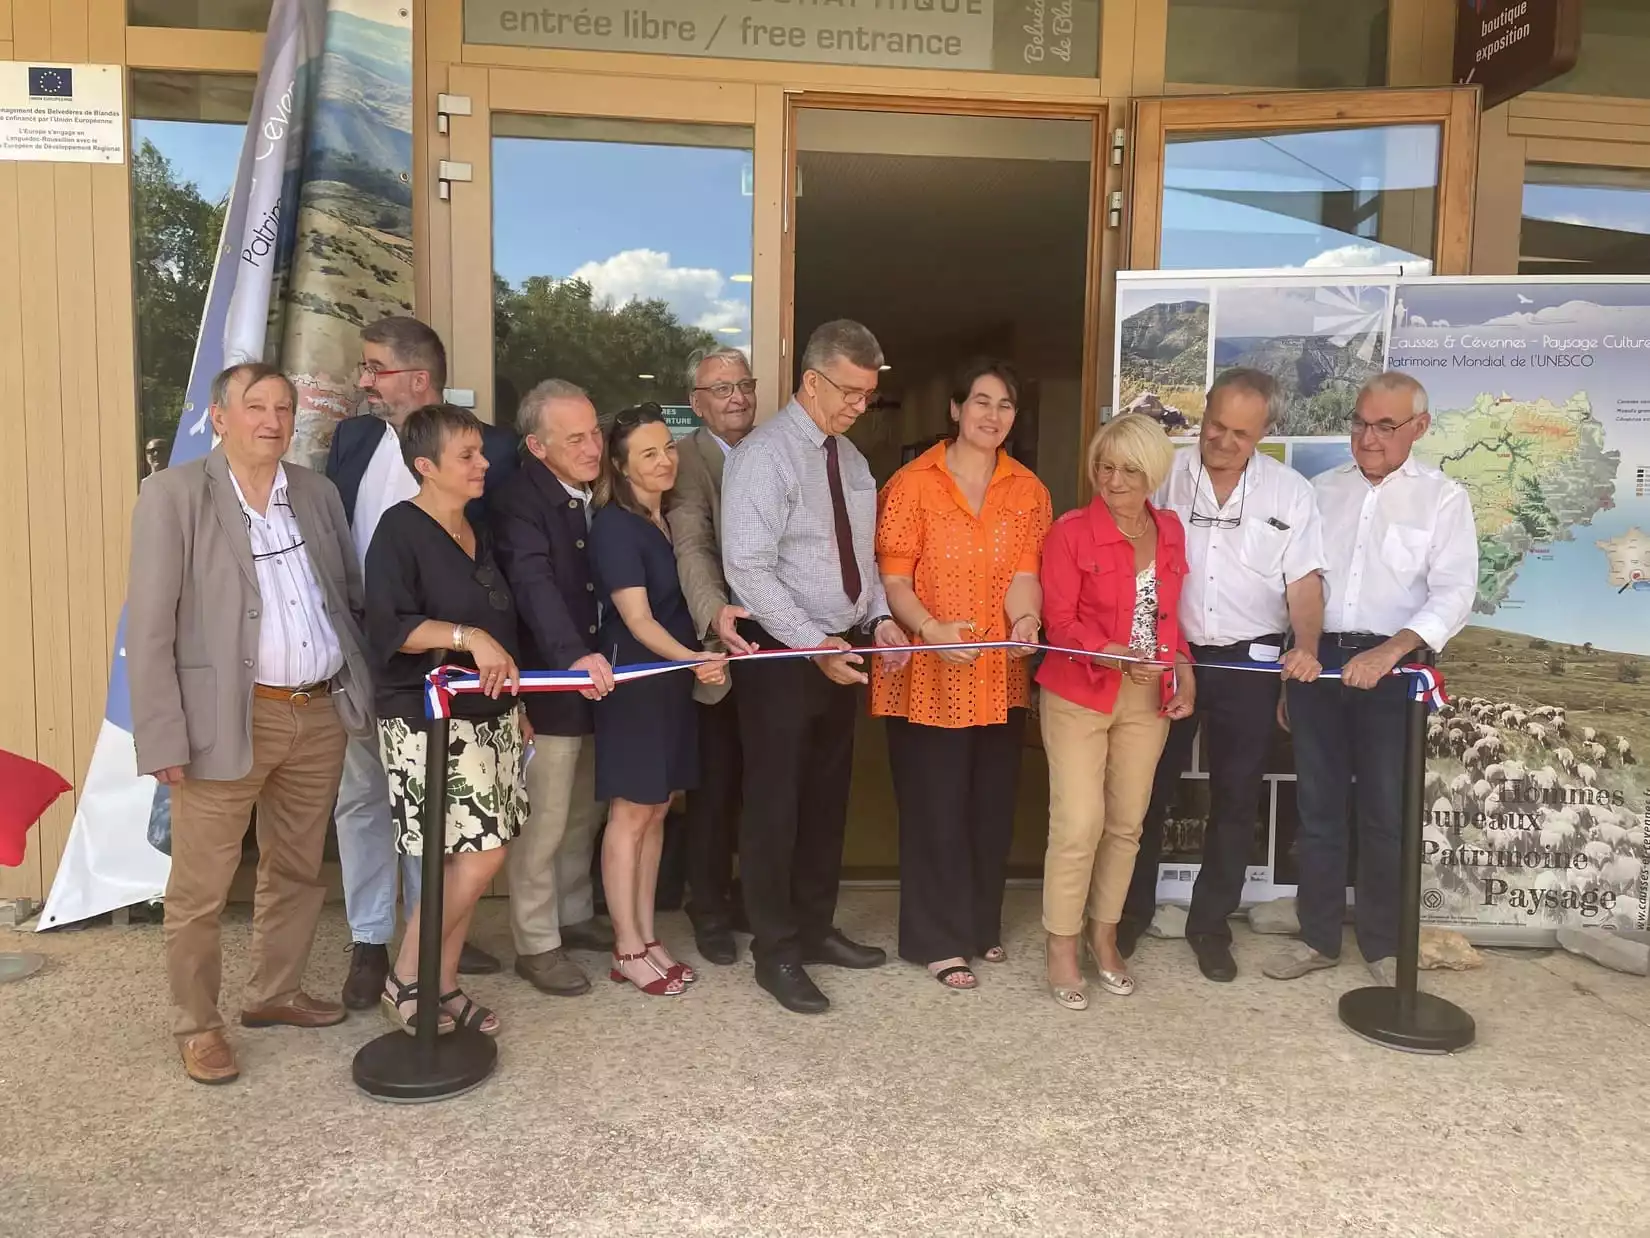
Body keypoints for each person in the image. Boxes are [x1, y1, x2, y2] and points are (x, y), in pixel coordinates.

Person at [128, 362, 371, 1085]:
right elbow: (148, 628)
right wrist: (162, 735)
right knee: (200, 889)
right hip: (225, 720)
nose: (272, 420)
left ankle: (275, 993)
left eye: (284, 407)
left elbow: (347, 598)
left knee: (296, 868)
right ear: (220, 416)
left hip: (317, 710)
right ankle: (198, 1026)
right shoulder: (173, 495)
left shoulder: (317, 493)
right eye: (256, 406)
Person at [721, 319, 908, 1014]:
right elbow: (747, 568)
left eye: (869, 395)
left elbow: (857, 560)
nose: (861, 406)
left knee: (827, 802)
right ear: (811, 381)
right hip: (784, 655)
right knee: (775, 808)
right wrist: (812, 643)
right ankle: (775, 951)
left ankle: (814, 927)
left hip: (842, 649)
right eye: (851, 392)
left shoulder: (851, 460)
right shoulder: (765, 457)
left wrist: (878, 619)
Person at [1266, 372, 1477, 985]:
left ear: (1420, 428)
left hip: (1396, 666)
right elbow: (1298, 584)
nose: (1368, 436)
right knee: (1319, 807)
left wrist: (1390, 653)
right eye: (1360, 422)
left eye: (1386, 425)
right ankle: (1317, 939)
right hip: (1318, 661)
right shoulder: (1317, 491)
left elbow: (1455, 591)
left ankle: (1384, 947)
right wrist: (1292, 671)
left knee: (1387, 812)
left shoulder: (1442, 498)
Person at [326, 316, 513, 1007]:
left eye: (375, 367)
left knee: (434, 821)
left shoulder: (483, 459)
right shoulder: (349, 441)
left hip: (448, 673)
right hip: (370, 649)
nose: (364, 381)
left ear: (419, 377)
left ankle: (428, 949)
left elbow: (495, 575)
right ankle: (373, 945)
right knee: (367, 801)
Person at [1119, 368, 1327, 982]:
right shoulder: (1162, 474)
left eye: (1241, 432)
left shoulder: (1290, 492)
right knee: (1146, 789)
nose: (1224, 441)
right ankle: (1127, 916)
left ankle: (1209, 926)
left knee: (1236, 799)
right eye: (1215, 426)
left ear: (1264, 432)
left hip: (1251, 661)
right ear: (1202, 415)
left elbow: (1305, 583)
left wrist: (1305, 651)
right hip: (1169, 653)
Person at [872, 358, 1052, 990]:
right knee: (935, 808)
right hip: (927, 675)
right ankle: (935, 938)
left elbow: (1026, 571)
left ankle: (979, 925)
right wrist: (927, 629)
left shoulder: (1027, 489)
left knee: (991, 806)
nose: (991, 416)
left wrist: (1027, 620)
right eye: (980, 402)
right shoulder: (912, 484)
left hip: (996, 673)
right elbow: (893, 579)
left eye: (1004, 405)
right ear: (954, 409)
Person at [364, 404, 529, 1037]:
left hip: (492, 716)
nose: (483, 463)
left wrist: (519, 706)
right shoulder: (398, 531)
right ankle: (408, 974)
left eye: (481, 451)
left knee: (480, 852)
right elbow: (389, 625)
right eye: (467, 455)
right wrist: (468, 636)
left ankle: (443, 984)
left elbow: (505, 629)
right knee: (472, 856)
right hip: (426, 720)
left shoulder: (476, 528)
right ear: (425, 467)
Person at [1037, 414, 1195, 1012]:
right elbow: (1060, 622)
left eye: (1129, 469)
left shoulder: (1171, 531)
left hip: (1145, 698)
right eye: (1105, 466)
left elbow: (1171, 616)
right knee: (1078, 823)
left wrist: (1183, 667)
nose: (1113, 479)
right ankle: (1060, 945)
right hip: (1079, 692)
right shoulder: (1070, 532)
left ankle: (1103, 934)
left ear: (1152, 472)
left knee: (1126, 823)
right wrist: (1114, 655)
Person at [589, 404, 728, 995]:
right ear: (620, 467)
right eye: (648, 453)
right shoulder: (616, 527)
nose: (665, 459)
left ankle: (646, 935)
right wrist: (694, 657)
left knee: (657, 810)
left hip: (669, 684)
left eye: (667, 447)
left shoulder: (667, 518)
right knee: (629, 813)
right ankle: (625, 946)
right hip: (636, 685)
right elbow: (637, 619)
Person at [492, 379, 618, 998]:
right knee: (542, 820)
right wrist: (573, 656)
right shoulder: (519, 500)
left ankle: (572, 913)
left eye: (595, 431)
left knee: (584, 809)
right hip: (552, 681)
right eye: (577, 438)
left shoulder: (594, 493)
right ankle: (536, 942)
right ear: (538, 446)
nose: (594, 446)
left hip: (600, 682)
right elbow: (533, 583)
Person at [666, 346, 759, 965]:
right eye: (721, 389)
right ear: (696, 403)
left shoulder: (774, 450)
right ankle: (709, 907)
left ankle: (755, 896)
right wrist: (715, 616)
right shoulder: (687, 461)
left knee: (765, 784)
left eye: (744, 385)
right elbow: (692, 543)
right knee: (717, 786)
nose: (737, 397)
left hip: (778, 651)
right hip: (718, 650)